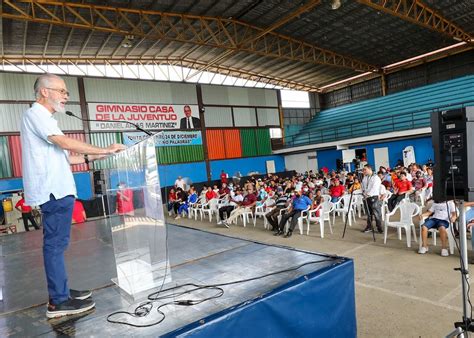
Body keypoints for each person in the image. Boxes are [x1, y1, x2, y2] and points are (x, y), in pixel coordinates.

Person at [21, 73, 126, 318]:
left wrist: (99, 156)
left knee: (58, 245)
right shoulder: (36, 114)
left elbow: (66, 156)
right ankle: (58, 302)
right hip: (53, 191)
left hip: (58, 189)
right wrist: (102, 148)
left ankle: (63, 292)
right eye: (61, 91)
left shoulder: (45, 119)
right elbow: (64, 143)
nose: (66, 96)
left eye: (66, 92)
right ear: (44, 92)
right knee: (55, 246)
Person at [361, 164, 383, 234]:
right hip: (366, 197)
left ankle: (379, 227)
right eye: (363, 170)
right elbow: (363, 186)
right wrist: (363, 192)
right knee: (368, 213)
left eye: (365, 169)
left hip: (373, 197)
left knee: (376, 213)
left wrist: (368, 194)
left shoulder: (376, 178)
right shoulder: (365, 177)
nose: (363, 171)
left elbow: (375, 188)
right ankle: (369, 226)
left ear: (370, 169)